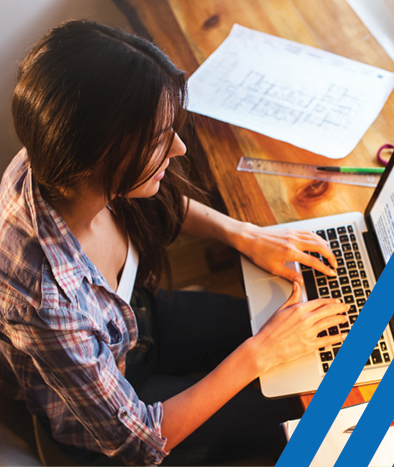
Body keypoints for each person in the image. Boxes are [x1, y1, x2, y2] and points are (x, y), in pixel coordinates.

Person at [0, 20, 349, 466]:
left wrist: (248, 235)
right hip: (123, 412)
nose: (180, 148)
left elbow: (157, 197)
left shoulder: (61, 150)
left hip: (139, 320)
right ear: (101, 158)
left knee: (316, 339)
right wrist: (261, 352)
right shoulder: (46, 303)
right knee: (305, 402)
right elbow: (140, 442)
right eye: (160, 139)